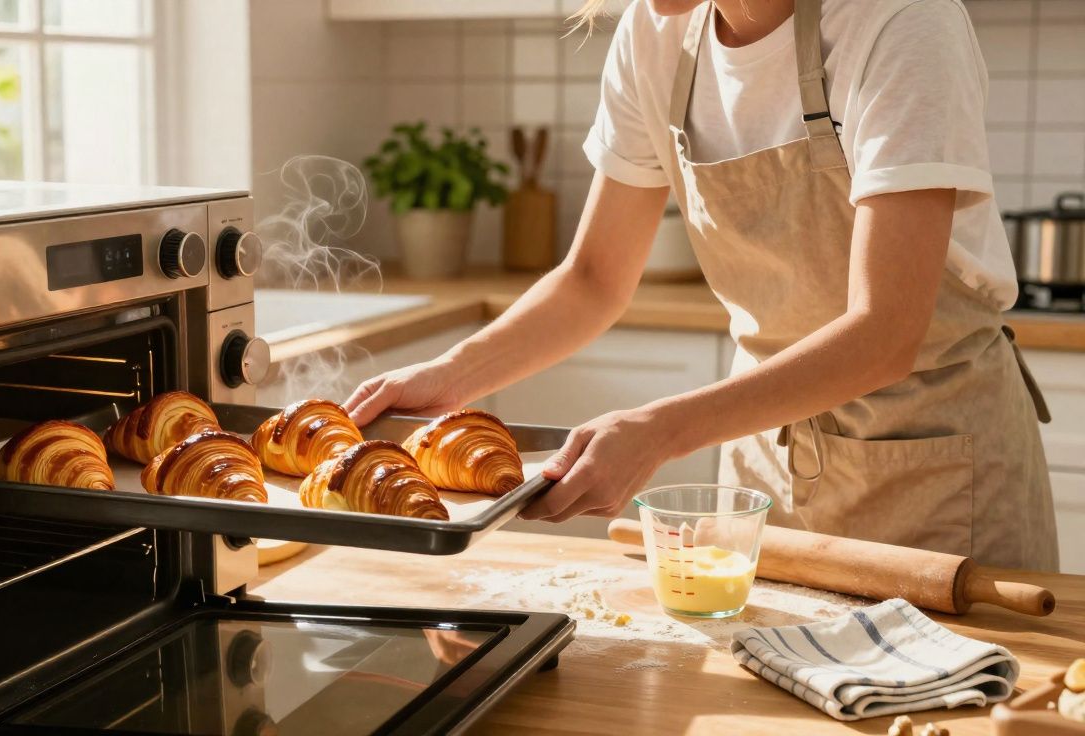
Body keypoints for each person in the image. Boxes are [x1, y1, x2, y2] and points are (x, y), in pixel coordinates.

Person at [343, 0, 1058, 571]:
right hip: (763, 459)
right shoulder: (654, 36)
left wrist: (659, 432)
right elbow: (594, 279)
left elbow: (884, 334)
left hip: (931, 464)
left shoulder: (900, 21)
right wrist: (448, 378)